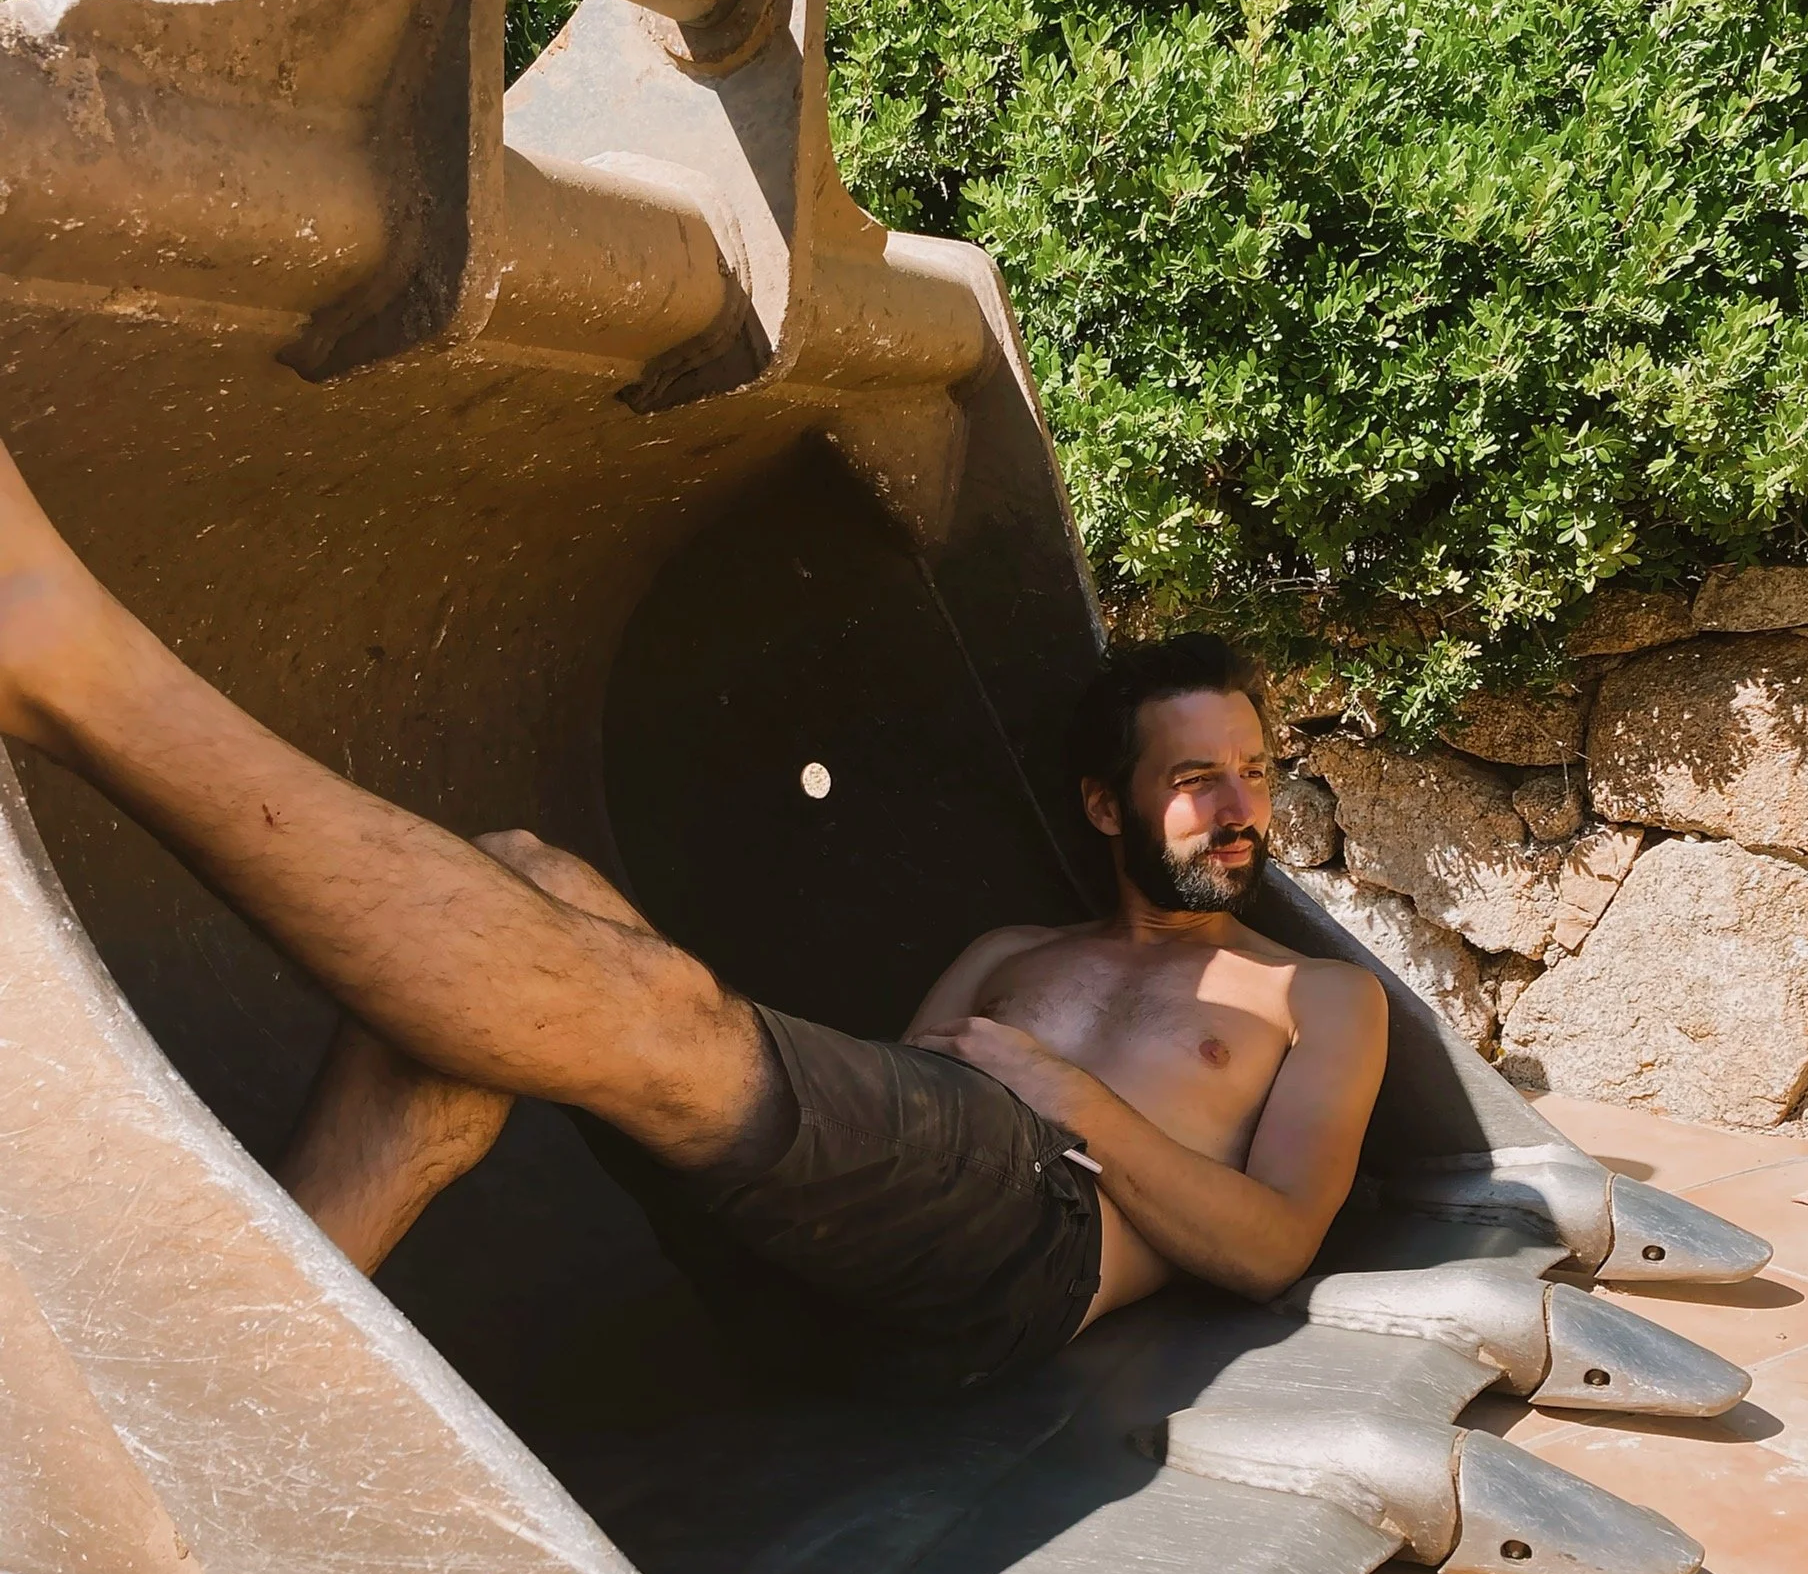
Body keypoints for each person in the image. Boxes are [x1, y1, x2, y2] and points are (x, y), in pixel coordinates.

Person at [0, 439, 1386, 1395]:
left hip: (1025, 1264)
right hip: (828, 1275)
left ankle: (69, 669)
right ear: (1109, 809)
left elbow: (1272, 1250)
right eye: (1196, 778)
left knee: (646, 1010)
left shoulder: (1314, 999)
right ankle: (251, 1363)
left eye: (1253, 774)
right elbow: (847, 1155)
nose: (1235, 806)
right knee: (522, 881)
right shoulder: (1010, 956)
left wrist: (1065, 1099)